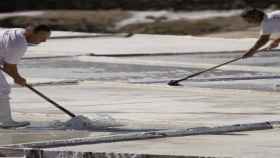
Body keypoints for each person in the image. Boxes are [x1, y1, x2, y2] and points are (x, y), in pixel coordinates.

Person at [0, 24, 51, 128]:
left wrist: (17, 78)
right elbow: (9, 66)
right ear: (31, 33)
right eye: (42, 37)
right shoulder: (18, 44)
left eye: (46, 38)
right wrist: (18, 78)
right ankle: (5, 121)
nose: (44, 41)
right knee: (2, 89)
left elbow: (7, 64)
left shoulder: (18, 32)